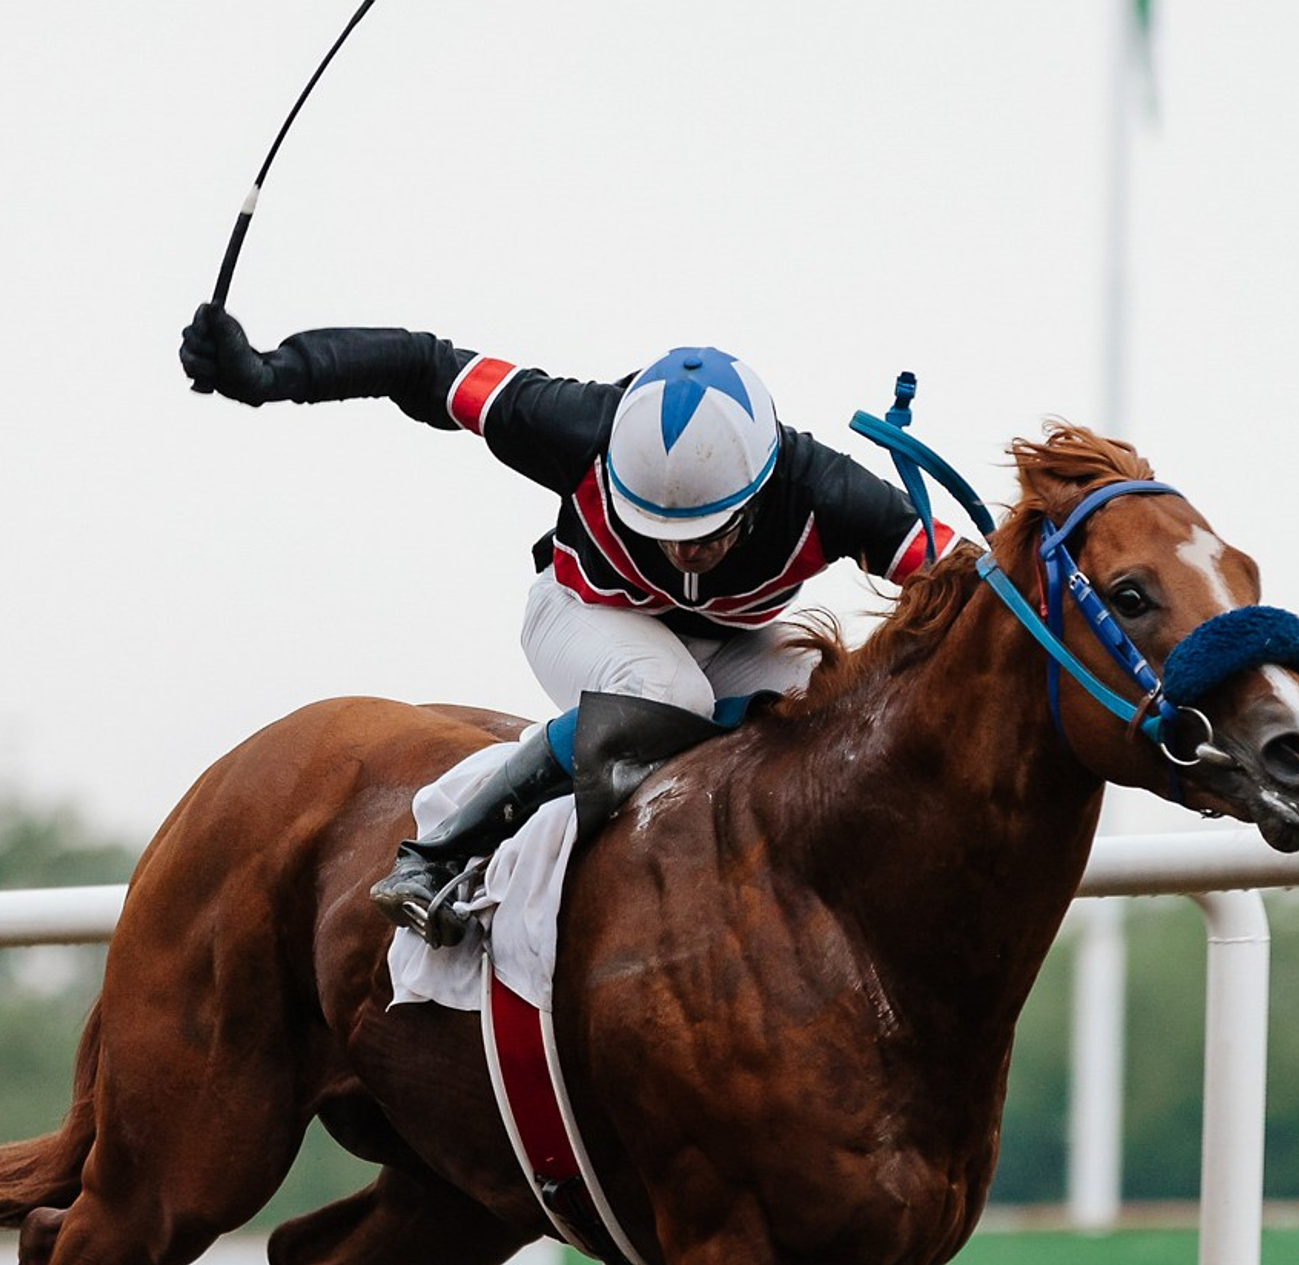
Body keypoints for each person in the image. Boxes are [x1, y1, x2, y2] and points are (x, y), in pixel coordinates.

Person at [178, 303, 951, 941]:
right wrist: (273, 371)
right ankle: (440, 854)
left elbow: (969, 577)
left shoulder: (831, 492)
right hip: (583, 610)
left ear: (759, 492)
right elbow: (419, 364)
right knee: (668, 691)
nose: (683, 555)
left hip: (732, 642)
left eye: (706, 534)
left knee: (840, 706)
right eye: (658, 530)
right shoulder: (574, 424)